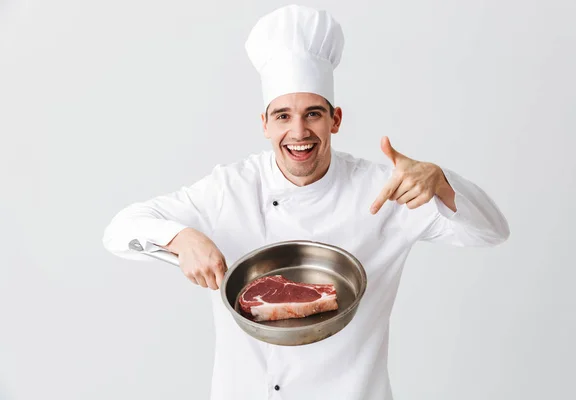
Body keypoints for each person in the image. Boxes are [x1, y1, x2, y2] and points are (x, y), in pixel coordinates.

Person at [102, 4, 510, 400]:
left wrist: (440, 181)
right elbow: (119, 231)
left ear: (335, 119)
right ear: (264, 124)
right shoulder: (230, 188)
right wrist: (180, 237)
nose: (298, 132)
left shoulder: (386, 189)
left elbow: (492, 232)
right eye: (282, 116)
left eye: (313, 114)